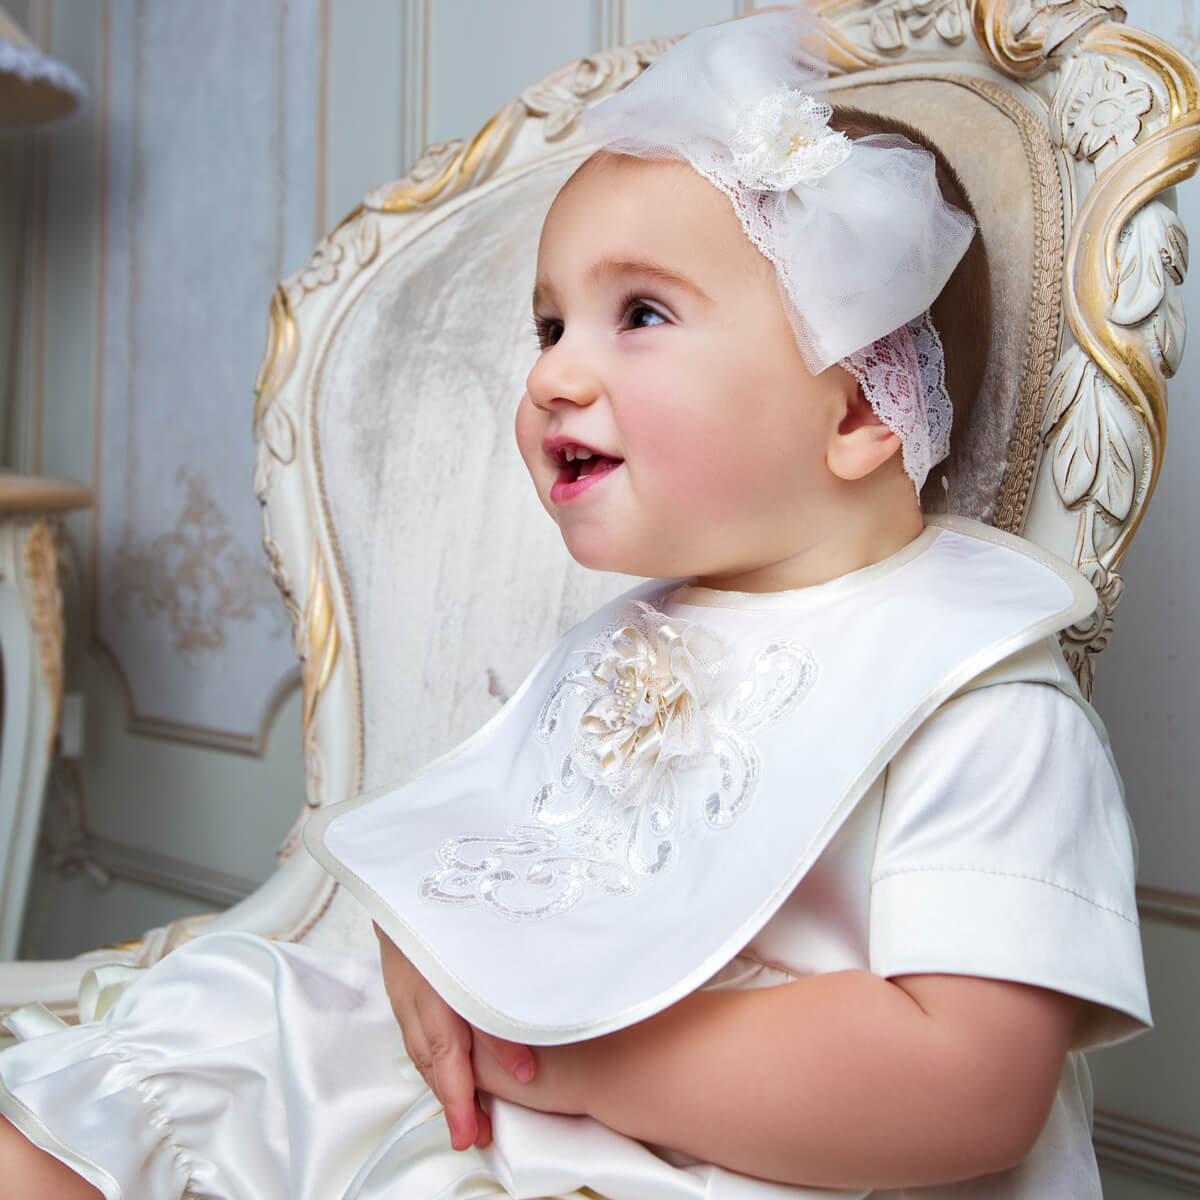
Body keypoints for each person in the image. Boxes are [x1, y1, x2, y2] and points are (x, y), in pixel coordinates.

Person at [0, 10, 1149, 1199]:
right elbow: (517, 865)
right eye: (548, 325)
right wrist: (430, 954)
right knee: (232, 1033)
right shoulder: (638, 639)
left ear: (857, 408)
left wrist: (578, 1062)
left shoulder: (980, 700)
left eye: (640, 314)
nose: (551, 371)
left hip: (731, 1157)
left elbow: (973, 1085)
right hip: (528, 1096)